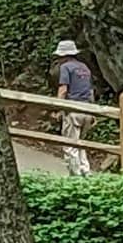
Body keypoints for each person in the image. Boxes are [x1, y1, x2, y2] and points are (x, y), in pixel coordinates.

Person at [54, 39, 94, 177]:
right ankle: (86, 171)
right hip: (87, 109)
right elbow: (90, 90)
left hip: (73, 109)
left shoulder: (65, 67)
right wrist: (93, 111)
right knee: (81, 143)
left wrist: (59, 108)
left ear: (63, 56)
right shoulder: (85, 67)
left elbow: (63, 89)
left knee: (70, 145)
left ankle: (75, 176)